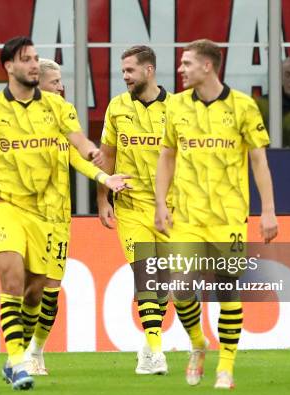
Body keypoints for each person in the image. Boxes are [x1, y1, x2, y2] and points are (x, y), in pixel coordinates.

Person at [0, 36, 129, 391]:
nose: (33, 64)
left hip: (48, 215)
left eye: (35, 58)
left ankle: (25, 352)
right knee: (13, 281)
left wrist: (95, 156)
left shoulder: (58, 108)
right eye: (26, 59)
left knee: (36, 293)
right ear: (9, 66)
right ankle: (18, 362)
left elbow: (78, 143)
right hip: (6, 208)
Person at [154, 39, 278, 389]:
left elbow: (258, 161)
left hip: (229, 217)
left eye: (187, 63)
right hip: (187, 215)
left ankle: (226, 366)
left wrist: (268, 212)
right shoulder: (175, 106)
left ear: (208, 66)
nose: (180, 69)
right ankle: (197, 344)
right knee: (180, 287)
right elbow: (167, 155)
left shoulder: (243, 106)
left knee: (226, 289)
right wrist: (161, 202)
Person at [96, 45, 183, 376]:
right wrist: (103, 200)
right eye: (123, 72)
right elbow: (106, 154)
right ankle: (158, 352)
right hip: (131, 205)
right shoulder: (117, 107)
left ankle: (149, 345)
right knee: (145, 273)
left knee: (163, 282)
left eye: (130, 71)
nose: (125, 77)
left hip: (168, 207)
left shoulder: (176, 109)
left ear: (149, 71)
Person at [22, 58, 112, 375]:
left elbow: (77, 156)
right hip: (25, 215)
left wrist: (103, 178)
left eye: (61, 81)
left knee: (50, 290)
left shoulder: (65, 114)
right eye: (55, 81)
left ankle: (36, 351)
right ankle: (18, 350)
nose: (61, 86)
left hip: (59, 218)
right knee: (28, 287)